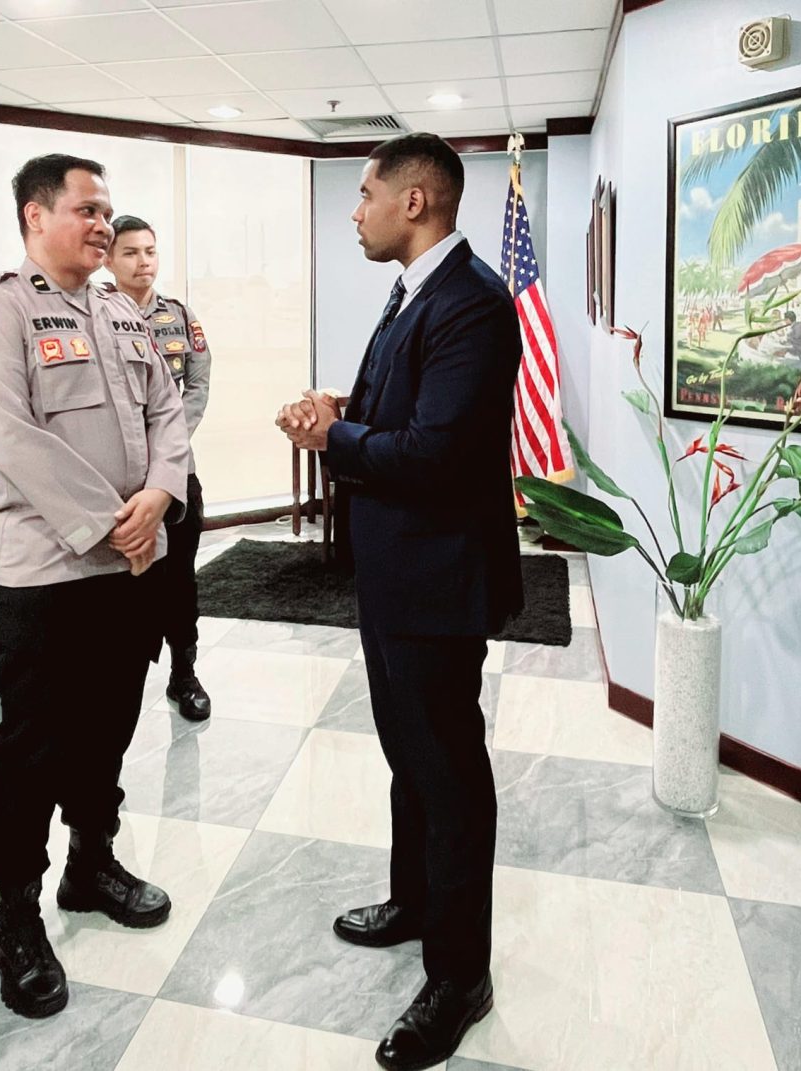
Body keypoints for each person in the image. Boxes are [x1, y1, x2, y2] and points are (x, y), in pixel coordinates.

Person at [276, 132, 522, 1071]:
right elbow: (401, 407)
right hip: (393, 579)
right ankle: (416, 901)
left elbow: (434, 454)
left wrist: (336, 437)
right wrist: (340, 407)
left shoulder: (472, 304)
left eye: (367, 192)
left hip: (438, 582)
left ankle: (460, 975)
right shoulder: (412, 290)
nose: (356, 209)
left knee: (450, 775)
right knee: (409, 759)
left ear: (414, 201)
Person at [0, 154, 191, 1019]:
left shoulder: (123, 312)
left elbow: (169, 409)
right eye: (87, 210)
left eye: (108, 211)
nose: (103, 224)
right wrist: (114, 521)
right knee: (31, 748)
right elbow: (10, 438)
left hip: (128, 571)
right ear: (34, 215)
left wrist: (159, 495)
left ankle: (92, 863)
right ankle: (16, 915)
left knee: (109, 728)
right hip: (47, 574)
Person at [104, 215, 212, 721]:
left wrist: (164, 450)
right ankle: (116, 678)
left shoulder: (179, 315)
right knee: (122, 584)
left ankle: (183, 673)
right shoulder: (94, 315)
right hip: (118, 477)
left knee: (179, 583)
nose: (143, 261)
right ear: (108, 259)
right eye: (130, 252)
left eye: (150, 251)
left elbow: (197, 383)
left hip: (175, 476)